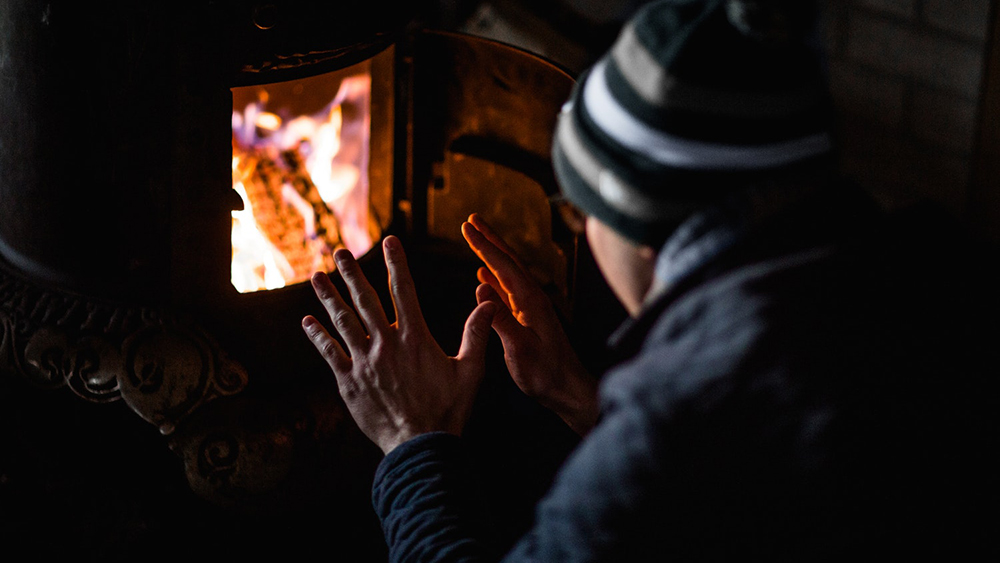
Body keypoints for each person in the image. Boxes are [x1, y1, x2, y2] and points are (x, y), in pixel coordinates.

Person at [301, 0, 997, 560]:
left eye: (582, 209)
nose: (579, 231)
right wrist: (580, 396)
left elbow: (691, 455)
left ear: (636, 222)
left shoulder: (674, 420)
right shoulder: (936, 270)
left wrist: (412, 438)